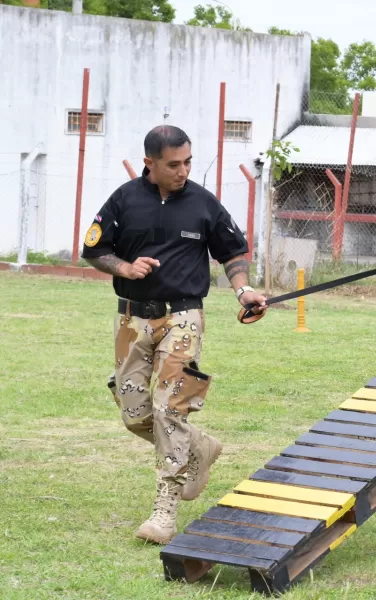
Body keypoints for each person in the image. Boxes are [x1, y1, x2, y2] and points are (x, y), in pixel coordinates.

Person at [82, 125, 267, 545]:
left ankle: (164, 512)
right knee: (134, 413)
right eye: (173, 164)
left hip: (183, 317)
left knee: (170, 409)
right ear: (150, 163)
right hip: (131, 320)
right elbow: (95, 250)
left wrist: (243, 289)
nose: (183, 171)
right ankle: (197, 446)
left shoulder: (203, 203)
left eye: (187, 162)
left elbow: (232, 252)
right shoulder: (124, 200)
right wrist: (125, 268)